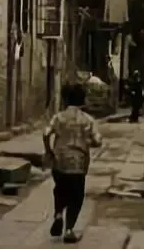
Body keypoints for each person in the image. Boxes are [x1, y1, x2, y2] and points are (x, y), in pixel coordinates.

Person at [43, 83, 102, 243]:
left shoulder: (58, 117)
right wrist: (88, 141)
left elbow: (46, 133)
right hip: (78, 164)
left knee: (60, 189)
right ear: (82, 100)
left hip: (60, 161)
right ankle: (69, 230)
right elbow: (98, 141)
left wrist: (48, 151)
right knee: (76, 196)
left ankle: (58, 214)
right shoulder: (88, 120)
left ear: (66, 99)